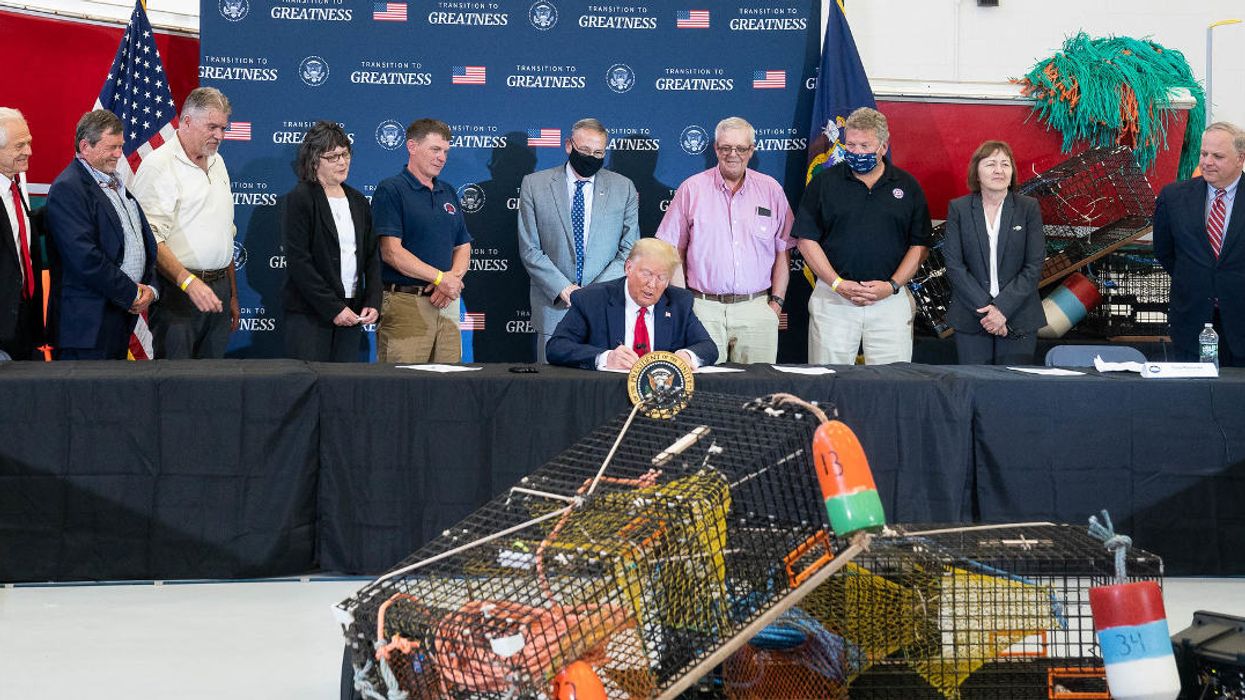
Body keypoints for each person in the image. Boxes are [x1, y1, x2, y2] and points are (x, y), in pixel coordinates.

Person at [792, 107, 932, 365]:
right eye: (851, 144)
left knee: (893, 383)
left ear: (883, 146)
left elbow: (920, 244)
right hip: (834, 299)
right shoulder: (824, 183)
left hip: (889, 300)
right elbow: (805, 239)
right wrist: (837, 284)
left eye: (864, 145)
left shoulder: (907, 186)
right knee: (828, 382)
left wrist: (891, 285)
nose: (856, 152)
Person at [656, 116, 793, 364]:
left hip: (757, 308)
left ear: (751, 151)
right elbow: (673, 250)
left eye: (741, 148)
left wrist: (776, 303)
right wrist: (684, 304)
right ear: (716, 149)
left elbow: (782, 251)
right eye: (726, 147)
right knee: (706, 389)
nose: (733, 154)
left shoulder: (771, 190)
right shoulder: (692, 189)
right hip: (703, 308)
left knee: (758, 391)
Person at [518, 118, 638, 362]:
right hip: (554, 307)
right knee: (550, 390)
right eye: (584, 150)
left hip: (605, 307)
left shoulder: (623, 188)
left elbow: (629, 249)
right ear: (568, 145)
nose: (591, 157)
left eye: (598, 153)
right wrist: (564, 289)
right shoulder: (535, 185)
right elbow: (530, 248)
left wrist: (592, 293)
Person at [131, 87, 237, 359]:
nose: (220, 136)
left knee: (212, 383)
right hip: (178, 294)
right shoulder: (159, 165)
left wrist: (232, 295)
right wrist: (189, 283)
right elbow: (150, 239)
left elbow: (225, 232)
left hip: (219, 291)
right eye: (212, 127)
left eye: (223, 128)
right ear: (186, 121)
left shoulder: (219, 161)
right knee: (177, 385)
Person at [45, 109, 159, 360]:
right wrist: (131, 293)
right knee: (85, 399)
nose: (119, 154)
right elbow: (85, 258)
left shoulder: (115, 183)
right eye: (112, 147)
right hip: (87, 326)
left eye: (120, 146)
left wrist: (150, 287)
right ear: (85, 146)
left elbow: (141, 240)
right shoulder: (68, 188)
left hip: (117, 316)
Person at [372, 118, 471, 363]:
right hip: (406, 305)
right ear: (412, 147)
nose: (442, 158)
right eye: (435, 149)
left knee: (448, 389)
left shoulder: (448, 191)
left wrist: (451, 281)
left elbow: (463, 245)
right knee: (404, 389)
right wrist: (439, 278)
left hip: (447, 304)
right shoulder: (391, 190)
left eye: (446, 151)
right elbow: (391, 252)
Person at [280, 121, 380, 362]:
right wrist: (333, 308)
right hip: (310, 313)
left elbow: (372, 256)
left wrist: (373, 300)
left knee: (342, 389)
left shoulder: (358, 201)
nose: (342, 162)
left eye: (345, 154)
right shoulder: (300, 198)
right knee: (311, 387)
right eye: (333, 157)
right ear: (315, 160)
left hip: (352, 310)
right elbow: (299, 262)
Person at [942, 140, 1045, 365]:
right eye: (991, 164)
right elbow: (954, 265)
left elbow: (1034, 265)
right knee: (975, 389)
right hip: (971, 316)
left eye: (1005, 164)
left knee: (1013, 392)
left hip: (1019, 316)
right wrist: (988, 311)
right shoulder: (959, 208)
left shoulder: (1028, 208)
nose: (999, 170)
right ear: (977, 173)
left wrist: (1002, 309)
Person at [546, 238, 718, 370]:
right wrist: (605, 358)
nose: (652, 284)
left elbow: (708, 348)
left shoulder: (679, 302)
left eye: (661, 277)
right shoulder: (591, 300)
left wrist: (687, 356)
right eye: (647, 274)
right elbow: (556, 347)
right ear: (628, 267)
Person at [1154, 121, 1245, 365]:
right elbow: (1165, 252)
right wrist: (1198, 278)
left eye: (1217, 156)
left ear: (1240, 159)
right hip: (1191, 323)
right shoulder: (1173, 197)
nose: (1207, 162)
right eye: (1204, 154)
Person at [0, 107, 44, 360]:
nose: (29, 151)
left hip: (24, 324)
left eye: (28, 143)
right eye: (19, 146)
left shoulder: (15, 187)